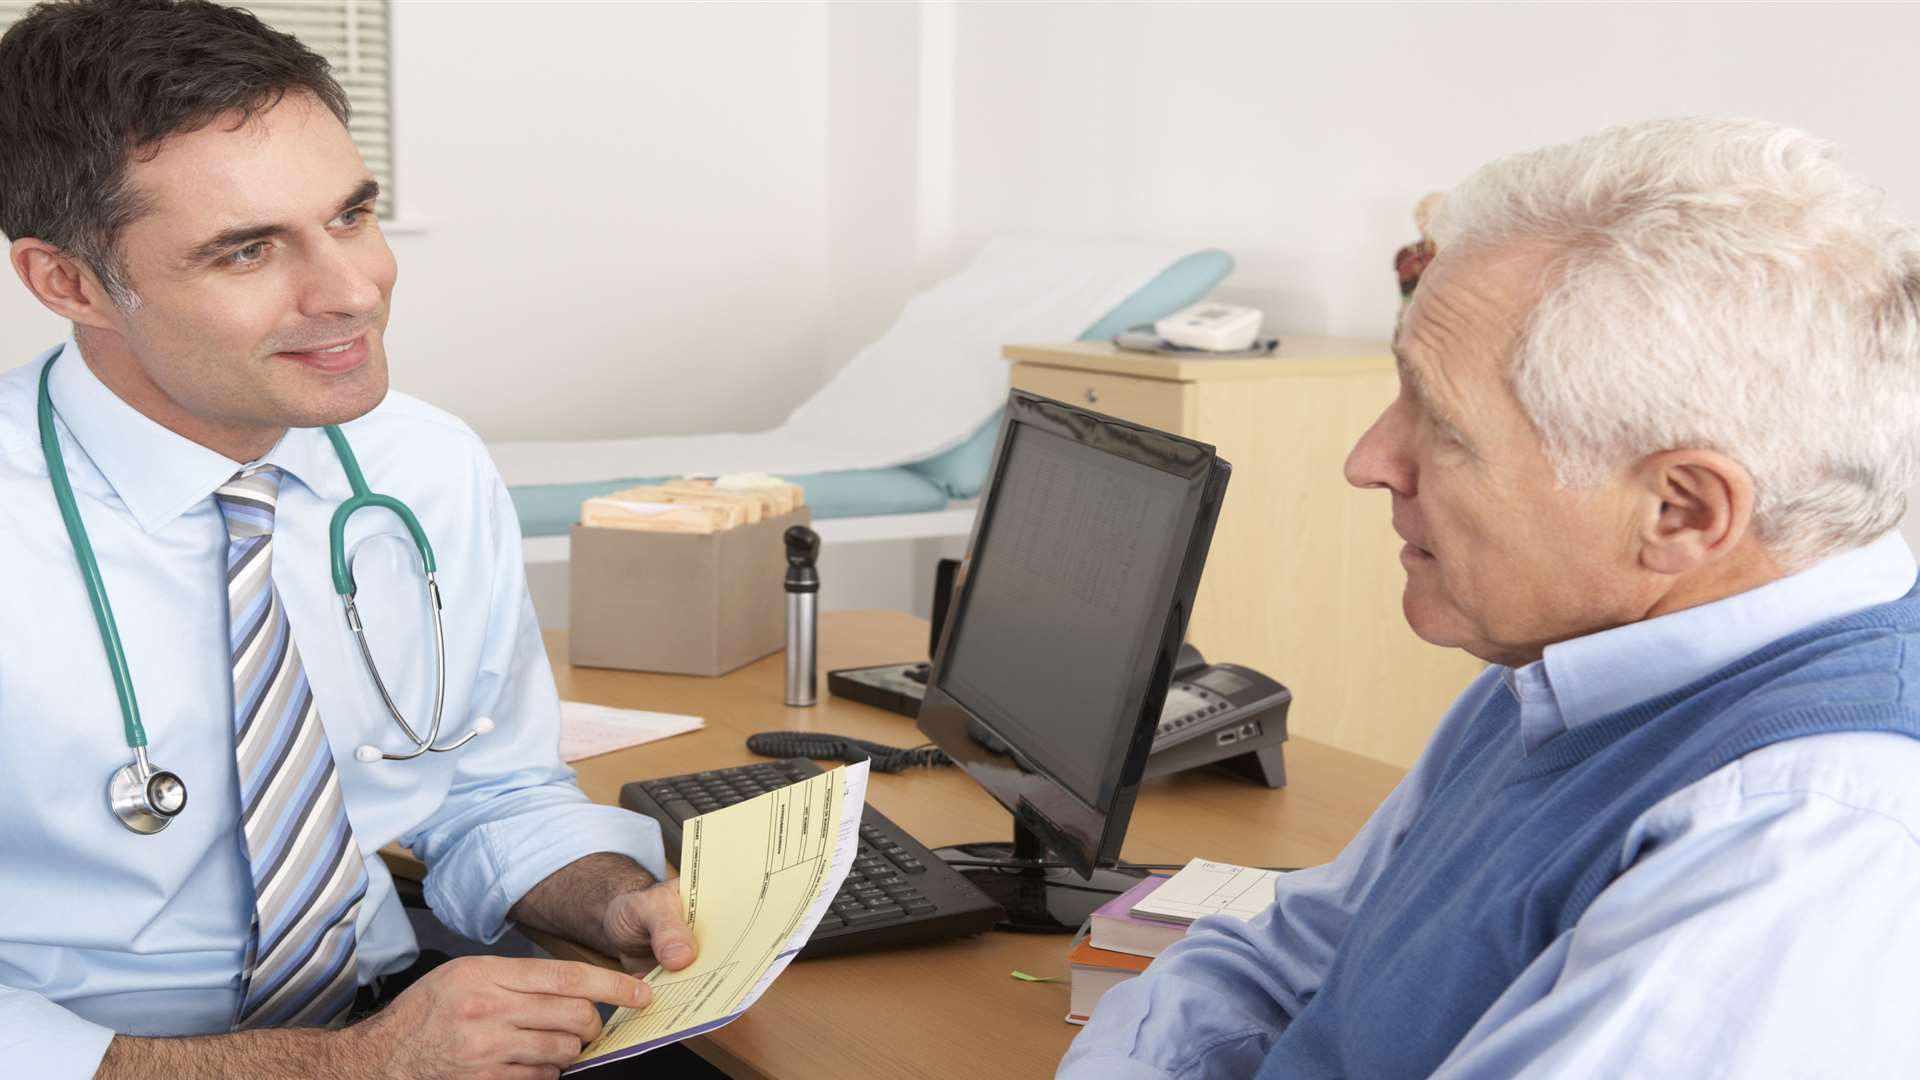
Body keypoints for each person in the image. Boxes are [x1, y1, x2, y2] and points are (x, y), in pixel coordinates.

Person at [1060, 116, 1920, 1078]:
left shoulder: (1798, 839)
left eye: (1444, 422)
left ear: (1680, 509)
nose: (1371, 461)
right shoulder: (1565, 667)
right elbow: (1290, 964)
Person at [0, 2, 701, 1077]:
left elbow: (489, 788)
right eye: (246, 250)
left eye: (352, 214)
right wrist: (344, 1069)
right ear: (69, 282)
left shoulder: (425, 462)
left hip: (400, 1011)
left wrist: (611, 897)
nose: (352, 292)